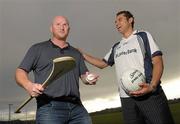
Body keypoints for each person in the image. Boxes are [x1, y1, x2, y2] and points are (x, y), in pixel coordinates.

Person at [79, 10, 174, 124]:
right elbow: (102, 63)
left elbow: (157, 61)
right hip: (126, 99)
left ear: (130, 20)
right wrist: (83, 55)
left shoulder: (143, 36)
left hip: (148, 94)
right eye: (115, 22)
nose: (116, 24)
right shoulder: (117, 47)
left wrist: (152, 86)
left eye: (120, 20)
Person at [15, 16, 98, 124]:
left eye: (65, 24)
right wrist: (28, 85)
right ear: (51, 28)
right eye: (58, 24)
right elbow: (20, 71)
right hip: (49, 108)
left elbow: (84, 76)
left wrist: (89, 78)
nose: (61, 27)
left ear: (69, 29)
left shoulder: (76, 53)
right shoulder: (37, 49)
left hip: (77, 108)